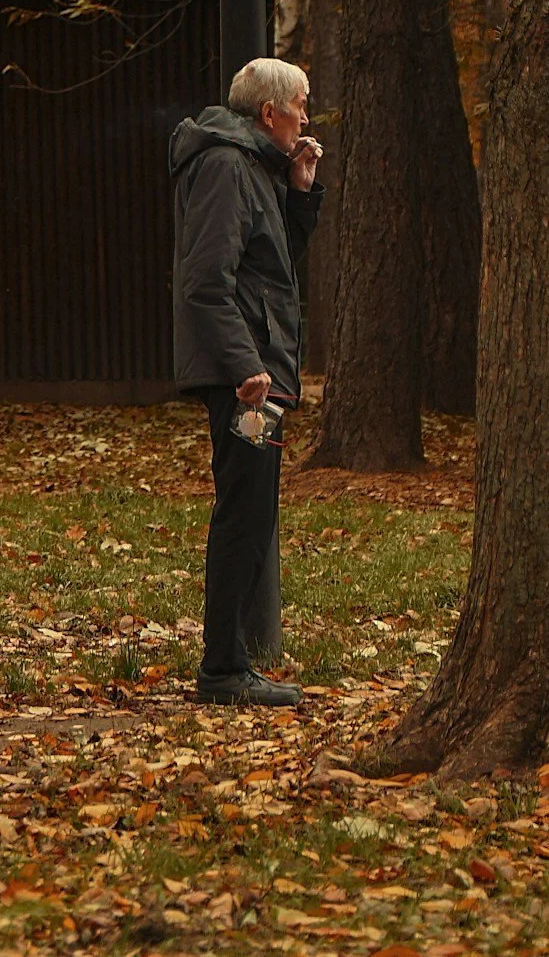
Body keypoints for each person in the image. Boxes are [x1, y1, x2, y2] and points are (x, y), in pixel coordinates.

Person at [169, 57, 325, 706]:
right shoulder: (227, 166)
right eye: (301, 104)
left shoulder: (252, 166)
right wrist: (245, 365)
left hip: (256, 372)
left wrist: (301, 187)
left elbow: (275, 260)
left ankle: (229, 663)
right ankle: (223, 668)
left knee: (252, 513)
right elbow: (207, 280)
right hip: (245, 379)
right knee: (243, 514)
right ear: (270, 112)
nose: (306, 116)